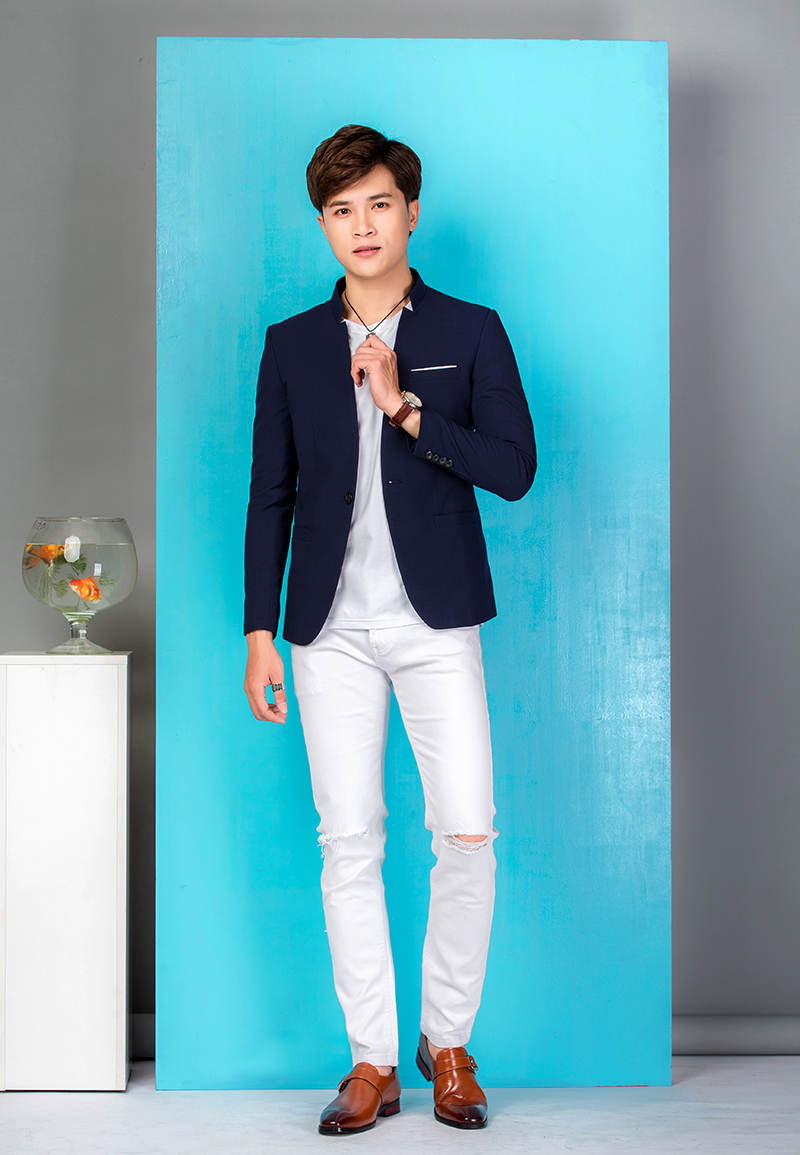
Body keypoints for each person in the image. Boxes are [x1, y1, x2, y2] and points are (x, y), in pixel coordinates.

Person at [243, 124, 536, 1135]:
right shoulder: (290, 345)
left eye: (378, 204)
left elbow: (513, 468)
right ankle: (371, 1059)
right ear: (323, 225)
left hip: (435, 620)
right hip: (325, 629)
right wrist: (259, 632)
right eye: (340, 209)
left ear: (411, 212)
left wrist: (406, 407)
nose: (361, 225)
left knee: (467, 830)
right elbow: (269, 497)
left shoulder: (471, 329)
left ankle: (446, 1043)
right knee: (348, 841)